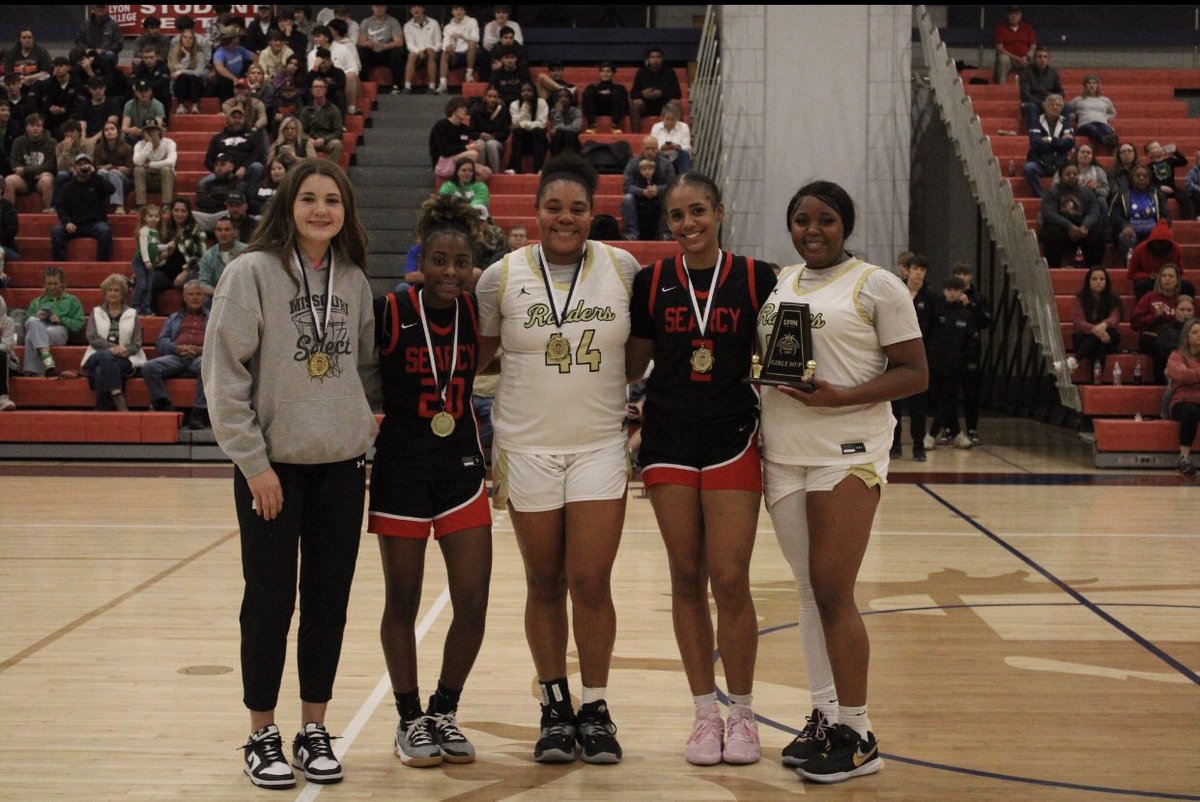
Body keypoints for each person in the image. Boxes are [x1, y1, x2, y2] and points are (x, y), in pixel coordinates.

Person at [201, 158, 380, 790]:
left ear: (345, 210)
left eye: (332, 199)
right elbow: (224, 376)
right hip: (272, 473)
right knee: (270, 602)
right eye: (308, 198)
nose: (321, 210)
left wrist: (364, 427)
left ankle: (313, 728)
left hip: (340, 469)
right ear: (288, 205)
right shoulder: (249, 272)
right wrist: (253, 464)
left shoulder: (353, 278)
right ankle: (261, 733)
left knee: (329, 602)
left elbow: (364, 369)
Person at [474, 154, 640, 765]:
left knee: (591, 582)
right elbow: (478, 360)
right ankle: (553, 705)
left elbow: (642, 355)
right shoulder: (500, 277)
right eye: (553, 207)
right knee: (544, 582)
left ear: (592, 213)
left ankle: (594, 708)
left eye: (576, 208)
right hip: (526, 447)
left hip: (599, 445)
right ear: (536, 210)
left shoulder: (623, 269)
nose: (564, 218)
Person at [761, 180, 926, 784]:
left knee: (833, 588)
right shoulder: (781, 282)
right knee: (809, 592)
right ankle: (825, 716)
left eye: (825, 219)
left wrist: (842, 398)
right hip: (784, 453)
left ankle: (859, 734)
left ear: (845, 226)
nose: (813, 230)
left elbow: (915, 373)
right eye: (801, 219)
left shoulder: (876, 284)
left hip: (846, 450)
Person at [625, 172, 776, 765]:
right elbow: (633, 362)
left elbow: (778, 357)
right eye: (677, 215)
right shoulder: (652, 281)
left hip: (732, 436)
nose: (688, 224)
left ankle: (743, 714)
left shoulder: (757, 278)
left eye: (698, 211)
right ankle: (704, 714)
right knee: (686, 576)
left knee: (730, 579)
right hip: (667, 440)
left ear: (719, 212)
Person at [370, 194, 491, 768]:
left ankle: (444, 710)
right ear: (421, 259)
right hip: (400, 473)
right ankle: (409, 718)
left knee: (473, 601)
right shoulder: (390, 310)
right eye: (439, 261)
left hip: (461, 470)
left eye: (461, 263)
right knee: (403, 599)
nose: (450, 272)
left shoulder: (477, 313)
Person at [143, 279, 210, 428]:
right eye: (191, 294)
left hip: (201, 356)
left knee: (207, 366)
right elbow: (161, 342)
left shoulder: (213, 317)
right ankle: (163, 404)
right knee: (149, 367)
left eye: (198, 294)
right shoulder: (174, 318)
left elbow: (217, 343)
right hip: (176, 356)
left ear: (205, 297)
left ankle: (200, 412)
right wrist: (177, 348)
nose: (195, 297)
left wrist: (200, 350)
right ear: (184, 297)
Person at [891, 253, 935, 460]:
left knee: (918, 405)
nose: (918, 273)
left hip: (919, 357)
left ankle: (918, 445)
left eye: (922, 270)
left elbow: (934, 329)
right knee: (894, 404)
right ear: (907, 271)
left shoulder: (931, 297)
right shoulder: (896, 292)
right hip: (896, 355)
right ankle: (895, 445)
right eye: (915, 269)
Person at [80, 273, 144, 411]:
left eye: (116, 290)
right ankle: (117, 393)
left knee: (100, 371)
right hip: (96, 354)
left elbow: (136, 343)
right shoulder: (96, 312)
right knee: (105, 356)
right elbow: (92, 338)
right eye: (110, 290)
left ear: (123, 294)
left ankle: (102, 409)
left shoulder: (132, 314)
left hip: (124, 358)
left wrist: (126, 351)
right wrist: (114, 348)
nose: (113, 293)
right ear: (105, 292)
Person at [926, 277, 977, 448]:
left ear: (961, 292)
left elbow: (971, 342)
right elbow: (928, 336)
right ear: (944, 291)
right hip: (935, 365)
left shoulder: (966, 315)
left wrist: (965, 361)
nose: (952, 293)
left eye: (956, 290)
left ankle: (932, 434)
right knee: (941, 401)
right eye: (949, 289)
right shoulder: (937, 312)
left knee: (947, 399)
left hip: (955, 367)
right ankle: (956, 434)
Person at [1039, 162, 1106, 268]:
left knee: (1098, 233)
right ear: (1060, 177)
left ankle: (1094, 269)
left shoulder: (1088, 193)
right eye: (1068, 174)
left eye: (1075, 174)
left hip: (1082, 229)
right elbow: (1049, 213)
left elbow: (1094, 211)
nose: (1072, 176)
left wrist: (1085, 226)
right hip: (1062, 228)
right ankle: (1053, 269)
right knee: (1050, 232)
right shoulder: (1052, 192)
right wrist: (1069, 226)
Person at [951, 262, 990, 445]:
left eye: (964, 274)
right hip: (952, 349)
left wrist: (969, 306)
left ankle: (972, 429)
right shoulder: (949, 295)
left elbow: (984, 322)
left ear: (970, 277)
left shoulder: (979, 298)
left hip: (971, 349)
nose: (961, 277)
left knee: (971, 392)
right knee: (949, 392)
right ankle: (950, 429)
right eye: (958, 274)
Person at [22, 266, 85, 376]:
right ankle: (46, 359)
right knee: (32, 322)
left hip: (59, 330)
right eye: (49, 284)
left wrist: (61, 320)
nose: (52, 287)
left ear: (62, 283)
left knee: (31, 337)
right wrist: (36, 316)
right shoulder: (37, 302)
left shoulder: (72, 300)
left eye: (55, 284)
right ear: (44, 284)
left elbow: (79, 324)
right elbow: (27, 324)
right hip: (40, 327)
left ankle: (32, 372)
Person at [52, 152, 112, 262]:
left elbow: (111, 189)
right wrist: (67, 222)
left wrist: (94, 174)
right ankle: (61, 264)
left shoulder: (98, 183)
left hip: (94, 223)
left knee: (105, 230)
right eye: (80, 165)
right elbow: (61, 206)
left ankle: (102, 264)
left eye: (86, 164)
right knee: (56, 231)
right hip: (74, 224)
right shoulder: (68, 187)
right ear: (75, 168)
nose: (83, 167)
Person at [1067, 267, 1123, 384]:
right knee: (1098, 343)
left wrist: (1104, 324)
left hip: (1108, 336)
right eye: (1094, 279)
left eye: (1102, 279)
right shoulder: (1080, 298)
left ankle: (1075, 360)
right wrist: (1095, 330)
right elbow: (1079, 322)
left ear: (1106, 281)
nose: (1098, 282)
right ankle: (1097, 382)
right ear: (1088, 281)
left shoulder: (1113, 298)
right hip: (1086, 337)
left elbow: (1115, 318)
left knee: (1102, 339)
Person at [1132, 263, 1183, 383]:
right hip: (1151, 338)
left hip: (1174, 338)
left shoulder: (1181, 300)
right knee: (1163, 347)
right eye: (1164, 276)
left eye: (1171, 276)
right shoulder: (1149, 297)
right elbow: (1135, 323)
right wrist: (1154, 316)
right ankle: (1161, 384)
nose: (1167, 279)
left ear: (1177, 280)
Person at [1111, 164, 1168, 265]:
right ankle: (1129, 266)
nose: (1141, 178)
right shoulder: (1122, 194)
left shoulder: (1157, 194)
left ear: (1149, 179)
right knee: (1125, 238)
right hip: (1130, 232)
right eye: (1138, 176)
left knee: (1162, 238)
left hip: (1153, 232)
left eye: (1145, 176)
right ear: (1131, 178)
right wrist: (1124, 226)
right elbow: (1114, 215)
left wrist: (1160, 228)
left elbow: (1166, 216)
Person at [206, 106, 266, 200]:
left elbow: (258, 155)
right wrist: (219, 169)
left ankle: (250, 199)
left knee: (257, 167)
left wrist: (244, 167)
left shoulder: (252, 136)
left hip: (245, 172)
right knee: (202, 183)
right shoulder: (217, 138)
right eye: (234, 118)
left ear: (244, 119)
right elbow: (208, 159)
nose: (237, 120)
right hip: (222, 174)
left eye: (239, 118)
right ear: (228, 119)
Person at [621, 137, 675, 240]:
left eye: (653, 149)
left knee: (669, 198)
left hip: (659, 199)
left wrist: (658, 190)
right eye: (647, 148)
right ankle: (632, 233)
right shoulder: (633, 163)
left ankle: (665, 234)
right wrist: (642, 192)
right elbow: (627, 186)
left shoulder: (666, 164)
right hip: (639, 200)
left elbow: (673, 185)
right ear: (642, 149)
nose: (650, 152)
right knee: (627, 198)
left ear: (658, 149)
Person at [1023, 94, 1073, 199]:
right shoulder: (1036, 121)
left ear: (1062, 108)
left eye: (1058, 105)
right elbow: (1035, 143)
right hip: (1040, 162)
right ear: (1045, 107)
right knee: (1028, 168)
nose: (1055, 107)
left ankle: (1062, 198)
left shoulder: (1066, 123)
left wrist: (1050, 140)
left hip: (1059, 164)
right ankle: (1040, 197)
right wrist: (1060, 143)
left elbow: (1070, 144)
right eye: (1051, 105)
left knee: (1073, 171)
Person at [1166, 317, 1200, 475]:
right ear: (1186, 336)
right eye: (1195, 332)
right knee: (1190, 412)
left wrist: (1192, 374)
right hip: (1182, 400)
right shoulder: (1177, 355)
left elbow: (1188, 375)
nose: (1199, 335)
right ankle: (1184, 458)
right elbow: (1180, 375)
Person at [5, 112, 57, 211]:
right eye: (32, 126)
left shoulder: (51, 143)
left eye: (38, 126)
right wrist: (34, 172)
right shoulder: (18, 142)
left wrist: (25, 170)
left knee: (47, 179)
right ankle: (8, 213)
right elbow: (14, 164)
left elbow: (49, 165)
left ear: (42, 128)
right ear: (26, 128)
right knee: (9, 180)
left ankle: (48, 211)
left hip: (40, 179)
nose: (35, 128)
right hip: (23, 180)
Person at [429, 97, 490, 181]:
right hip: (443, 162)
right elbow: (445, 151)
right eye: (461, 107)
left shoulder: (464, 128)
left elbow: (472, 135)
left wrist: (481, 136)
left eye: (466, 108)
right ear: (453, 109)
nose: (465, 110)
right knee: (473, 153)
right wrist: (467, 147)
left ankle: (463, 185)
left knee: (486, 172)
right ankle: (461, 180)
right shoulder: (441, 126)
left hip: (459, 160)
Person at [1127, 219, 1190, 300]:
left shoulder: (1176, 249)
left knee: (1187, 287)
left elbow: (1180, 272)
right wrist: (1148, 276)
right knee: (1142, 286)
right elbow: (1131, 274)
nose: (1161, 246)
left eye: (1164, 243)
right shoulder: (1140, 249)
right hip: (1148, 282)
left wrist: (1169, 277)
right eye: (1158, 243)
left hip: (1170, 282)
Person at [629, 47, 682, 134]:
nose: (655, 60)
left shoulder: (670, 72)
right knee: (635, 103)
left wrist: (661, 93)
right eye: (653, 57)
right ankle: (636, 134)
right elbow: (633, 94)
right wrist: (643, 94)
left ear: (662, 59)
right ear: (648, 59)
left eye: (658, 57)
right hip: (646, 105)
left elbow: (677, 93)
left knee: (675, 103)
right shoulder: (641, 72)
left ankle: (678, 133)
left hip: (664, 105)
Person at [358, 5, 405, 93]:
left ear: (385, 8)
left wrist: (384, 46)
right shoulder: (366, 22)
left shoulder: (393, 21)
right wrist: (368, 43)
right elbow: (361, 42)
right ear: (372, 8)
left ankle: (396, 86)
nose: (379, 9)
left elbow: (399, 42)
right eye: (376, 6)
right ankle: (364, 85)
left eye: (381, 7)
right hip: (371, 52)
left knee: (397, 52)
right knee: (361, 52)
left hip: (386, 52)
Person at [162, 197, 207, 289]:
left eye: (183, 211)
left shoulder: (197, 230)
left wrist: (185, 272)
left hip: (189, 271)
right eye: (176, 210)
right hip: (166, 270)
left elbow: (200, 256)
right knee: (146, 281)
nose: (179, 214)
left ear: (188, 213)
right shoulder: (166, 228)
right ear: (171, 211)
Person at [199, 216, 249, 298]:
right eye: (219, 230)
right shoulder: (208, 256)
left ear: (235, 232)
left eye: (227, 229)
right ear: (215, 233)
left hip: (244, 296)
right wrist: (222, 294)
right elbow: (203, 284)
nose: (223, 233)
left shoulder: (247, 251)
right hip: (218, 298)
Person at [131, 202, 166, 315]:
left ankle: (145, 306)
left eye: (156, 216)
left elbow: (154, 247)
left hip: (150, 262)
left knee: (149, 286)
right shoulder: (144, 231)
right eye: (150, 216)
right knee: (142, 284)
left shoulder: (155, 232)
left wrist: (167, 246)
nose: (153, 218)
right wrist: (146, 261)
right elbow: (144, 247)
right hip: (141, 261)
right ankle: (135, 305)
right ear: (144, 218)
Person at [298, 77, 344, 163]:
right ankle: (310, 168)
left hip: (327, 141)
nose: (318, 89)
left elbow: (338, 132)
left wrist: (325, 139)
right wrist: (308, 139)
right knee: (300, 143)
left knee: (337, 144)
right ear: (312, 90)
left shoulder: (334, 109)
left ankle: (328, 168)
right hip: (310, 141)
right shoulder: (305, 110)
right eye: (315, 87)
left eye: (321, 87)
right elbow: (300, 131)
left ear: (325, 90)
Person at [132, 119, 176, 207]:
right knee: (138, 169)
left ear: (159, 131)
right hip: (147, 181)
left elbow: (171, 162)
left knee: (166, 169)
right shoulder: (139, 144)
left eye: (153, 130)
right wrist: (149, 144)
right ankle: (141, 205)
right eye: (147, 131)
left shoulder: (169, 143)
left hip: (166, 180)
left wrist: (150, 164)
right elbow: (137, 161)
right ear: (143, 133)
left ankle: (167, 205)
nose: (151, 133)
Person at [468, 87, 511, 175]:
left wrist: (493, 136)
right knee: (480, 143)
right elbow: (471, 132)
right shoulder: (476, 111)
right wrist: (480, 135)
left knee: (491, 144)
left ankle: (496, 174)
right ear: (485, 97)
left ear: (498, 98)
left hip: (498, 143)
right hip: (481, 140)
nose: (492, 99)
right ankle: (481, 173)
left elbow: (506, 133)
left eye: (495, 97)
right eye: (490, 96)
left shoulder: (504, 112)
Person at [1145, 141, 1192, 220]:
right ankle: (1164, 219)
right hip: (1160, 190)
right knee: (1160, 197)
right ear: (1149, 154)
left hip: (1172, 188)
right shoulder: (1148, 167)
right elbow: (1149, 182)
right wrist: (1160, 187)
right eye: (1154, 148)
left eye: (1159, 146)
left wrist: (1175, 152)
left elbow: (1184, 161)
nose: (1158, 148)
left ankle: (1186, 219)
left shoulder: (1169, 161)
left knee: (1184, 195)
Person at [1017, 47, 1062, 129]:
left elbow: (1060, 92)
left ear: (1048, 59)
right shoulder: (1026, 73)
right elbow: (1025, 95)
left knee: (1067, 107)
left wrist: (1053, 102)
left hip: (1051, 103)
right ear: (1034, 59)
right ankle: (1035, 132)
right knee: (1030, 107)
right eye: (1039, 57)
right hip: (1034, 103)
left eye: (1045, 57)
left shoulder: (1053, 73)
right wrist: (1042, 104)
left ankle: (1066, 132)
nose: (1042, 59)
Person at [1069, 75, 1118, 151]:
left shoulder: (1105, 100)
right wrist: (1074, 117)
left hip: (1101, 123)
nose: (1092, 85)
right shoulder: (1077, 100)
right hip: (1084, 125)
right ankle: (1107, 142)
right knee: (1093, 129)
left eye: (1094, 83)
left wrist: (1105, 117)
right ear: (1085, 86)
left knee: (1107, 129)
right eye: (1089, 83)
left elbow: (1113, 113)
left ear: (1098, 86)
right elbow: (1067, 111)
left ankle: (1108, 141)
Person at [507, 83, 548, 174]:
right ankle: (515, 168)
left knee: (538, 131)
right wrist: (525, 106)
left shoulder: (541, 102)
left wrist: (523, 124)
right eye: (523, 91)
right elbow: (515, 123)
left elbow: (542, 124)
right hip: (523, 141)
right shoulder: (514, 104)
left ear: (534, 92)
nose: (526, 93)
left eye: (529, 91)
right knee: (518, 131)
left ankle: (539, 168)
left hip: (538, 140)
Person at [439, 5, 479, 92]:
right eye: (456, 9)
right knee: (444, 53)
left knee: (472, 43)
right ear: (452, 12)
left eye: (461, 9)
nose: (458, 12)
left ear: (464, 11)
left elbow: (476, 38)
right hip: (456, 54)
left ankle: (469, 74)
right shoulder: (448, 27)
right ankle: (443, 83)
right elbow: (445, 44)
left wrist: (462, 36)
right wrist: (448, 47)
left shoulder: (472, 21)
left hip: (470, 53)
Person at [993, 4, 1036, 86]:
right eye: (1011, 14)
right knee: (1003, 59)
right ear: (1007, 15)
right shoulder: (1001, 28)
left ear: (1020, 15)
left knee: (1038, 58)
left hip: (1025, 59)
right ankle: (1001, 88)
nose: (1014, 16)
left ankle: (1038, 87)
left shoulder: (1028, 28)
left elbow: (1033, 46)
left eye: (1016, 14)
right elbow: (999, 48)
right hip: (1009, 59)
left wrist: (1026, 57)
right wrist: (1017, 59)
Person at [169, 28, 208, 116]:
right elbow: (175, 74)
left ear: (194, 41)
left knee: (192, 77)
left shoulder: (200, 54)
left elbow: (199, 72)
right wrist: (187, 57)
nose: (188, 40)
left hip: (196, 86)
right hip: (180, 86)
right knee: (182, 77)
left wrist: (183, 71)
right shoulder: (175, 53)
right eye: (185, 37)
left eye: (190, 38)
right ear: (181, 39)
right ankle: (181, 105)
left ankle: (195, 105)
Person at [403, 5, 441, 94]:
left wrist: (432, 49)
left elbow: (439, 43)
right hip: (417, 53)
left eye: (418, 7)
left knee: (431, 55)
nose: (416, 9)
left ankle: (432, 87)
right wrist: (419, 52)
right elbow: (409, 44)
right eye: (413, 7)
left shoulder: (434, 23)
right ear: (410, 10)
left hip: (430, 51)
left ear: (423, 9)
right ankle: (407, 87)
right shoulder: (407, 26)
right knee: (411, 55)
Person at [582, 62, 629, 133]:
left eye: (608, 71)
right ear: (600, 73)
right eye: (603, 71)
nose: (605, 74)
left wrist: (610, 93)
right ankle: (591, 125)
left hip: (613, 110)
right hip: (597, 110)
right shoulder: (592, 87)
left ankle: (615, 125)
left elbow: (624, 102)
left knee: (618, 93)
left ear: (613, 73)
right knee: (589, 93)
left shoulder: (619, 87)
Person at [76, 4, 124, 72]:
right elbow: (78, 40)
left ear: (106, 8)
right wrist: (86, 49)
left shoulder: (114, 25)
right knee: (74, 54)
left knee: (110, 55)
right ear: (93, 8)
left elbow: (119, 44)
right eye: (98, 6)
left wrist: (104, 50)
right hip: (89, 54)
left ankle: (106, 76)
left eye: (103, 6)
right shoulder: (85, 24)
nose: (100, 9)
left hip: (106, 55)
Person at [650, 100, 692, 175]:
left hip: (678, 157)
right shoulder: (656, 127)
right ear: (662, 118)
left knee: (685, 154)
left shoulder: (684, 127)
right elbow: (652, 146)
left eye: (672, 120)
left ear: (677, 119)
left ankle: (685, 179)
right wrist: (661, 147)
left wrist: (677, 147)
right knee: (657, 156)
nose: (669, 122)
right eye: (667, 119)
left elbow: (687, 147)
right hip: (662, 157)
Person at [120, 80, 166, 145]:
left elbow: (158, 126)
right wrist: (130, 130)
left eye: (146, 91)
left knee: (155, 135)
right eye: (140, 91)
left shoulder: (158, 105)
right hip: (134, 135)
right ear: (135, 93)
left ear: (150, 92)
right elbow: (124, 127)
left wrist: (142, 131)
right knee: (124, 136)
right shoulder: (129, 105)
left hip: (151, 133)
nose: (143, 94)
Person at [548, 88, 583, 157]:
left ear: (570, 99)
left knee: (569, 134)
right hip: (558, 139)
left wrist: (559, 127)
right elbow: (555, 128)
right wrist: (558, 112)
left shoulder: (576, 111)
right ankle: (556, 161)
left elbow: (576, 128)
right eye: (560, 97)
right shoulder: (553, 112)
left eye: (566, 97)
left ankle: (570, 160)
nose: (563, 99)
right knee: (558, 135)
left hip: (572, 139)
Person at [0, 294, 15, 411]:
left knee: (1, 354)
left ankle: (3, 398)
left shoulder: (8, 322)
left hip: (9, 362)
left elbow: (7, 346)